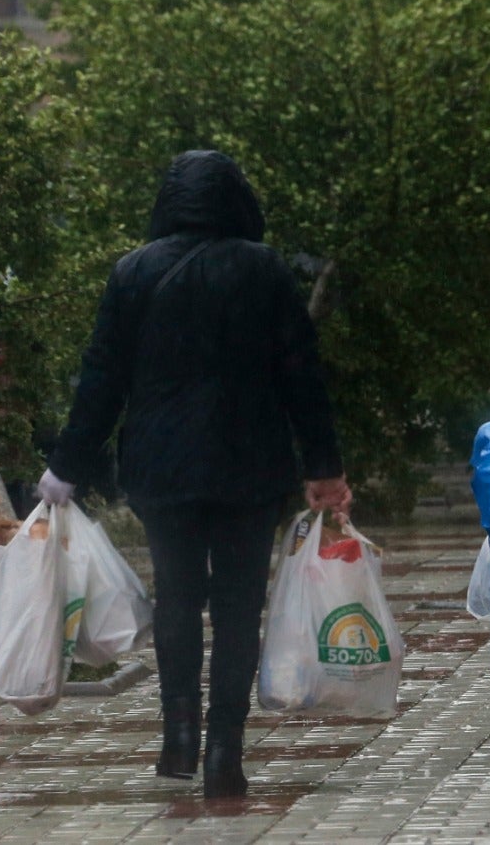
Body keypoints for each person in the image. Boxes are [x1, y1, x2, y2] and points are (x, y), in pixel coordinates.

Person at [35, 150, 350, 799]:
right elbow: (301, 376)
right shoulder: (263, 270)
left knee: (177, 595)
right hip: (249, 465)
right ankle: (223, 754)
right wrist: (323, 467)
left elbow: (101, 379)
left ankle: (178, 734)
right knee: (238, 607)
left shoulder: (133, 273)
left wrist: (66, 467)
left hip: (161, 467)